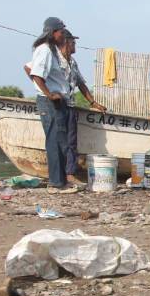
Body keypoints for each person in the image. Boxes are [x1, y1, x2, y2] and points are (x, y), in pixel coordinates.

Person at [25, 29, 106, 186]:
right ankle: (61, 178)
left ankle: (68, 174)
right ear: (66, 42)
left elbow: (81, 83)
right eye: (73, 42)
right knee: (58, 140)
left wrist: (92, 102)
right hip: (55, 102)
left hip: (69, 104)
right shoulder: (52, 55)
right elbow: (30, 69)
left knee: (70, 141)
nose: (75, 45)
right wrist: (46, 91)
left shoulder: (72, 62)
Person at [28, 17, 72, 190]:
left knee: (60, 141)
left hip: (58, 102)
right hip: (49, 102)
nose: (63, 35)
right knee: (54, 141)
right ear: (53, 32)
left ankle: (61, 181)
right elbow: (36, 75)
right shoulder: (45, 49)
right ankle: (56, 182)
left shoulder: (52, 50)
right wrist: (49, 94)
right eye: (61, 32)